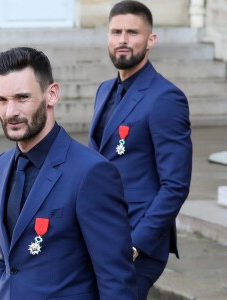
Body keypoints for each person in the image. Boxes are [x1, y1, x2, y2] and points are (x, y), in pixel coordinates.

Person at [0, 47, 137, 300]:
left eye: (22, 98)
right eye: (1, 100)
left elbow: (116, 281)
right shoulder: (3, 165)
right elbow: (8, 260)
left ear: (52, 95)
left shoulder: (92, 173)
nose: (10, 112)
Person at [88, 1, 192, 299]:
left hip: (137, 246)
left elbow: (175, 185)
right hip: (101, 234)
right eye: (116, 31)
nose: (123, 39)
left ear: (151, 40)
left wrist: (136, 244)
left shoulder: (166, 98)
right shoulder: (103, 90)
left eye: (132, 32)